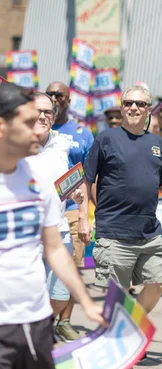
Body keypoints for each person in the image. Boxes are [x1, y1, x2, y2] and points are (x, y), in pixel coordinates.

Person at [77, 85, 162, 369]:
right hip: (113, 231)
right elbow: (86, 180)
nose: (134, 107)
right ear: (122, 108)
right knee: (117, 293)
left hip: (149, 232)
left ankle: (125, 330)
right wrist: (84, 217)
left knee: (158, 282)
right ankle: (119, 344)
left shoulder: (157, 143)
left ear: (147, 110)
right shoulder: (105, 139)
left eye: (140, 104)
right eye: (129, 103)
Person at [0, 83, 106, 369]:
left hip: (33, 323)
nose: (41, 128)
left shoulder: (36, 182)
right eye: (29, 121)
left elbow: (55, 248)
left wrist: (85, 301)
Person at [26, 92, 82, 342]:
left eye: (48, 112)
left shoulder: (63, 143)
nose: (43, 116)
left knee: (59, 294)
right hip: (25, 233)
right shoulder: (13, 143)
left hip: (58, 231)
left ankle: (42, 327)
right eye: (38, 110)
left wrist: (80, 200)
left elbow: (73, 180)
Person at [45, 81, 95, 341]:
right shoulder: (35, 126)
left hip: (72, 208)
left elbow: (87, 176)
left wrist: (88, 214)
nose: (54, 98)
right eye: (49, 94)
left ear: (68, 99)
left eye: (59, 95)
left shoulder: (81, 133)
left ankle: (64, 322)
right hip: (41, 211)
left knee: (71, 269)